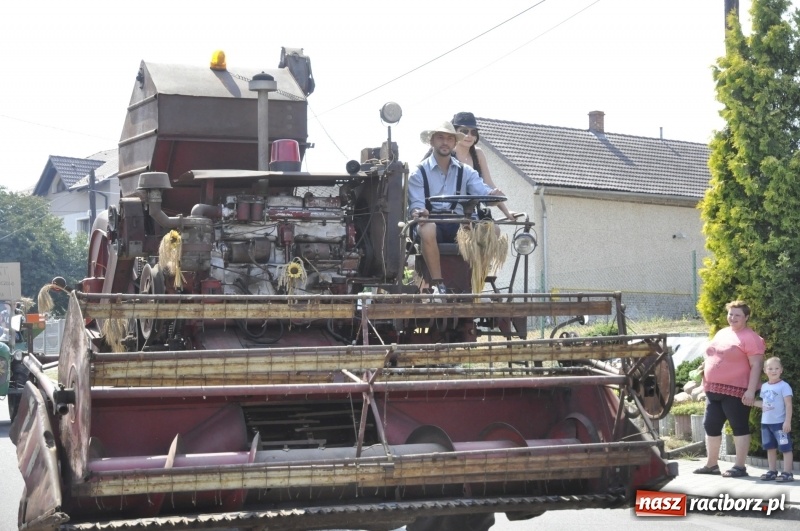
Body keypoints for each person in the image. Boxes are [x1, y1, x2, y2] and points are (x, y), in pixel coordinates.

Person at [408, 121, 504, 296]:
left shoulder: (466, 171)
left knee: (493, 230)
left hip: (459, 223)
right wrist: (420, 212)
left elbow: (483, 192)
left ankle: (476, 284)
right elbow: (417, 205)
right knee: (427, 228)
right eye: (440, 137)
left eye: (449, 138)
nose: (445, 142)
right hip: (432, 222)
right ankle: (439, 284)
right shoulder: (418, 173)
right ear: (432, 141)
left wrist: (492, 194)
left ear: (454, 143)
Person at [693, 300, 765, 478]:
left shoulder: (751, 338)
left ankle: (740, 467)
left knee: (739, 427)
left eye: (737, 315)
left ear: (746, 317)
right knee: (710, 425)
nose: (732, 318)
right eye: (730, 314)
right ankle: (711, 465)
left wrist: (750, 391)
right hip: (713, 389)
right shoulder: (722, 332)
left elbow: (756, 365)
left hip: (737, 391)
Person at [450, 112, 514, 220]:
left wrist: (506, 212)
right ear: (455, 132)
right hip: (450, 212)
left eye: (473, 132)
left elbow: (489, 185)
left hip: (472, 213)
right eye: (464, 131)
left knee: (495, 230)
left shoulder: (478, 154)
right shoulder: (448, 154)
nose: (469, 135)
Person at [754, 356, 794, 482]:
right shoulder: (764, 386)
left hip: (780, 424)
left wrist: (787, 421)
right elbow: (764, 404)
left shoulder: (784, 386)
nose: (773, 371)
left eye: (776, 368)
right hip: (766, 424)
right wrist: (751, 402)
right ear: (765, 370)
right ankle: (772, 471)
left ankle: (787, 473)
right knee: (770, 447)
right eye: (770, 368)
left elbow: (788, 404)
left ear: (781, 370)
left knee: (785, 448)